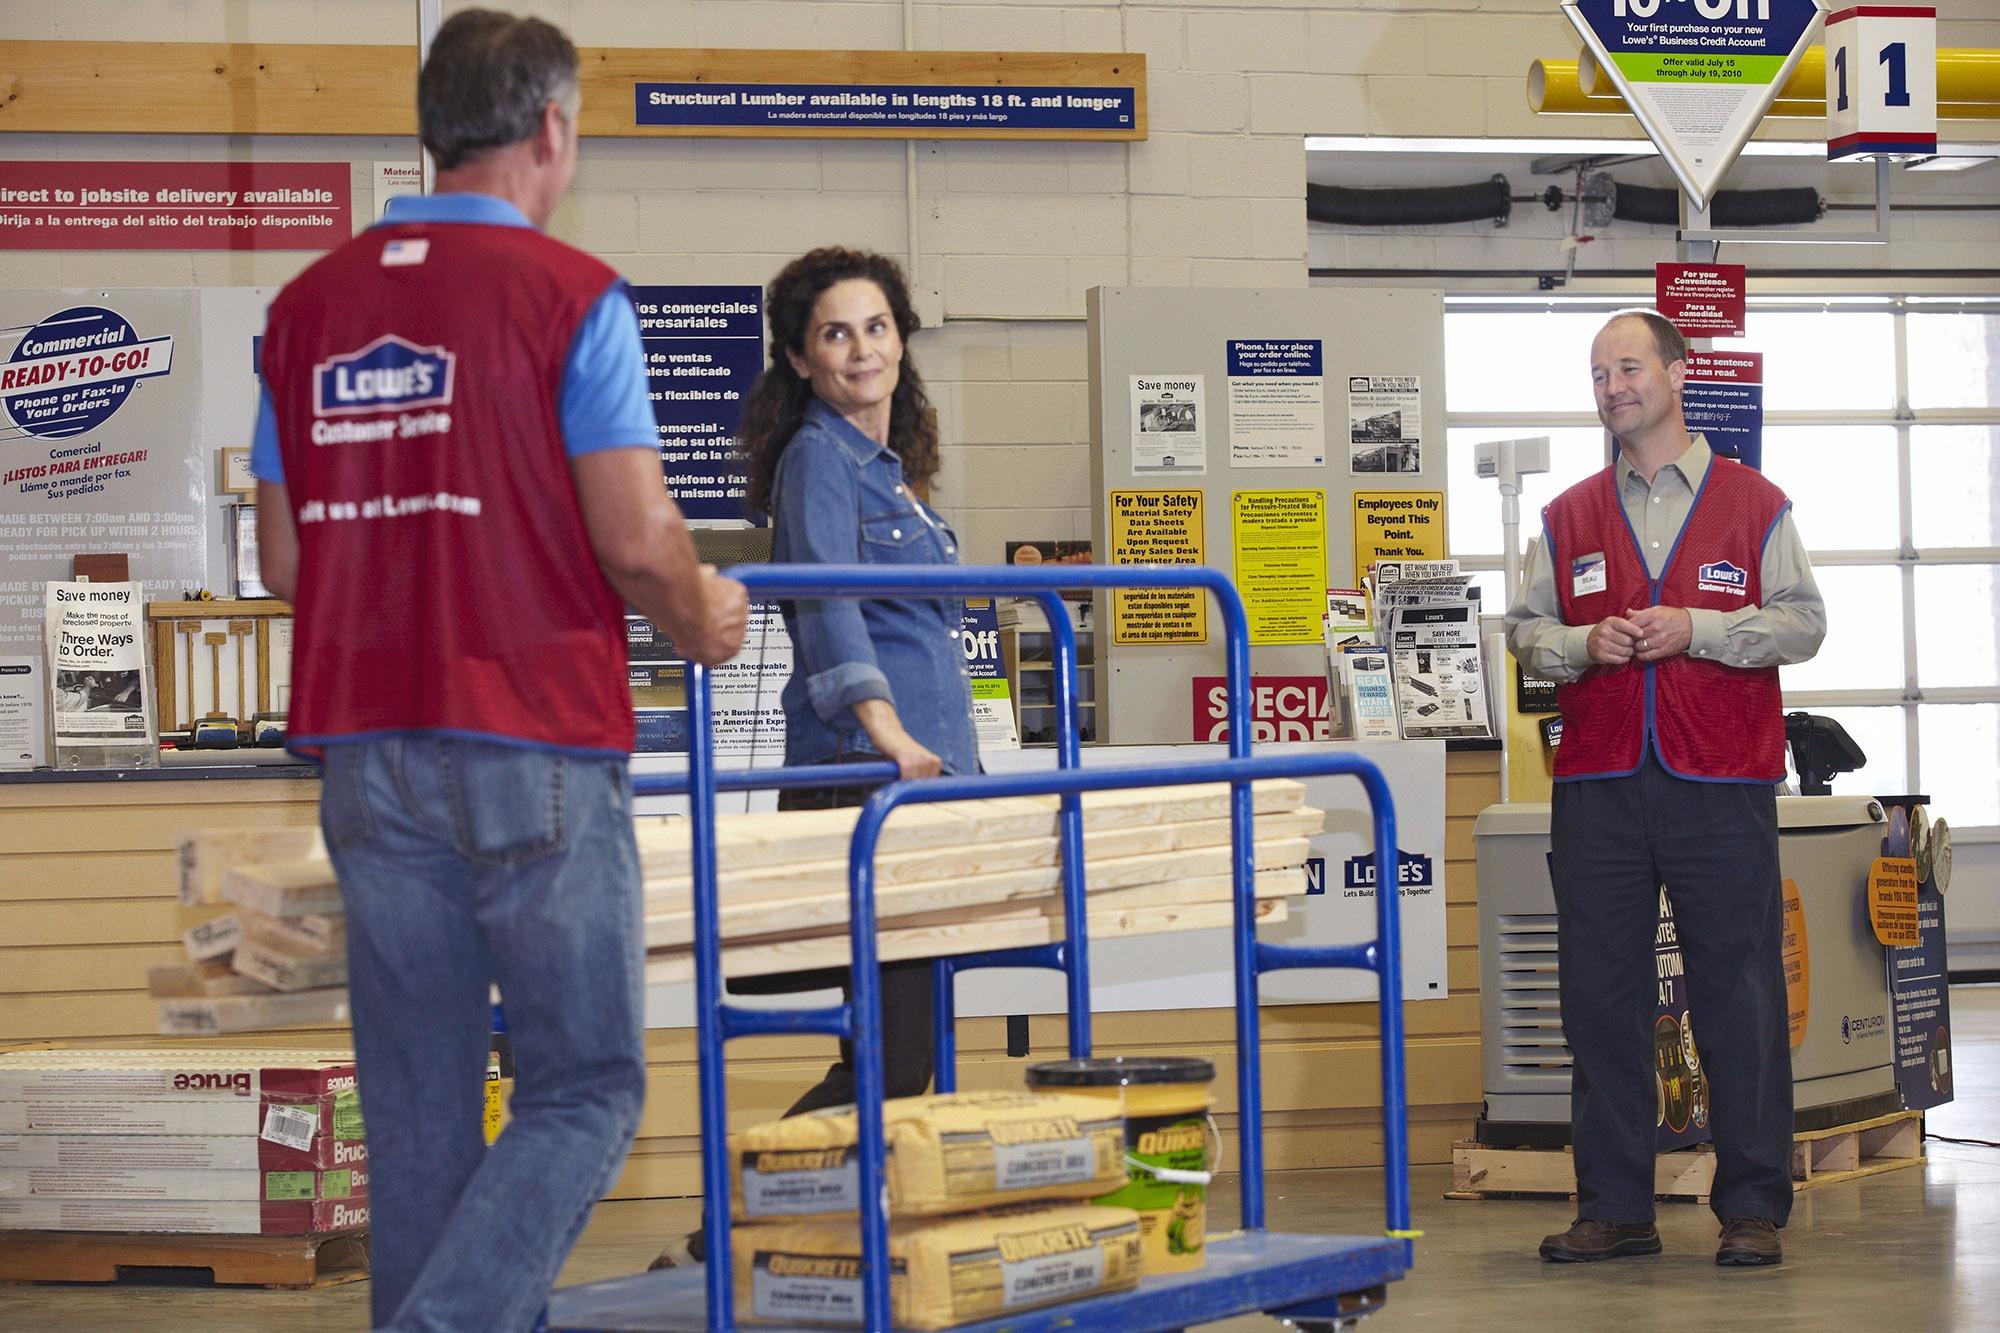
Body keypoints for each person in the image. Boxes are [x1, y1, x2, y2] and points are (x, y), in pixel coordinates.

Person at [252, 12, 747, 1330]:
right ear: (551, 129)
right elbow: (636, 538)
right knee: (583, 1086)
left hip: (367, 748)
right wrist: (702, 615)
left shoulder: (305, 308)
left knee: (418, 1103)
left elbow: (287, 562)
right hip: (534, 735)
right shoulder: (568, 296)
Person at [654, 248, 977, 1269]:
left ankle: (787, 1235)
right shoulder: (817, 460)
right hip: (865, 777)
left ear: (901, 339)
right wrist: (890, 735)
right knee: (892, 1058)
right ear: (799, 358)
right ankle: (719, 1234)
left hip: (923, 785)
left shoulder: (893, 475)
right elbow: (830, 606)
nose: (861, 348)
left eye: (876, 326)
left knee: (899, 1054)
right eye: (835, 332)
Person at [1506, 309, 1825, 1269]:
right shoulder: (1566, 516)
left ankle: (1753, 1206)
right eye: (1598, 374)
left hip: (1720, 782)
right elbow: (1525, 631)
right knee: (1599, 996)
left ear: (1678, 374)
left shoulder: (1757, 504)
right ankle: (1615, 1207)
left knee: (1740, 991)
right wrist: (1579, 643)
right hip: (1600, 785)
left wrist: (1701, 628)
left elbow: (1804, 622)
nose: (1612, 388)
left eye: (1629, 368)